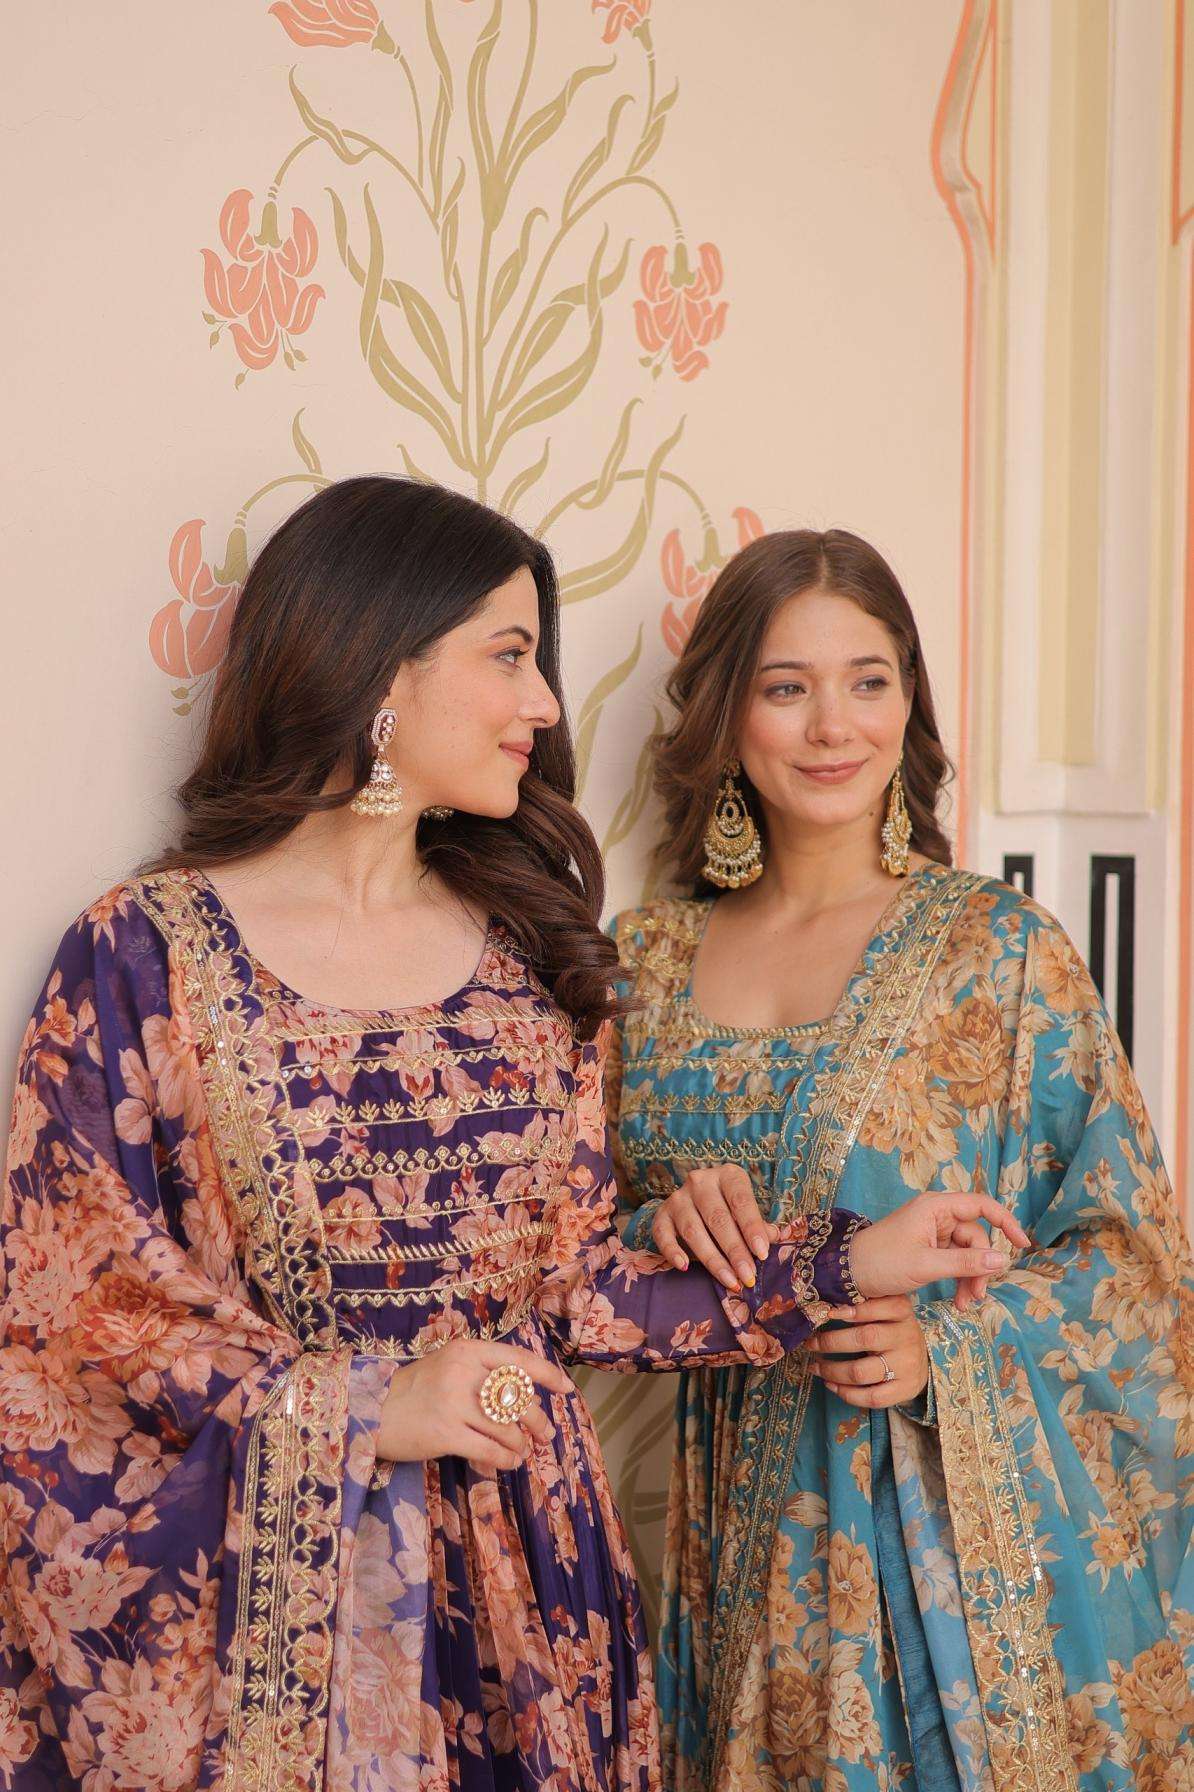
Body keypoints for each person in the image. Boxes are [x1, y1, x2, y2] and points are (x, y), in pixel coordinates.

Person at [0, 482, 1024, 1792]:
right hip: (283, 1632)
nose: (544, 702)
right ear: (379, 666)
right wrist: (373, 1406)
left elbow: (576, 1292)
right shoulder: (145, 956)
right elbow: (79, 1327)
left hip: (530, 1601)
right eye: (510, 655)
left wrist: (846, 1262)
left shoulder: (528, 958)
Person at [607, 528, 1194, 1792]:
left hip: (945, 1571)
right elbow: (569, 1253)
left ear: (909, 701)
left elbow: (1135, 1264)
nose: (834, 726)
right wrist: (663, 1220)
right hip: (736, 1554)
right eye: (787, 686)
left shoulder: (998, 950)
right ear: (728, 710)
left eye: (869, 680)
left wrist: (953, 1350)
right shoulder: (645, 963)